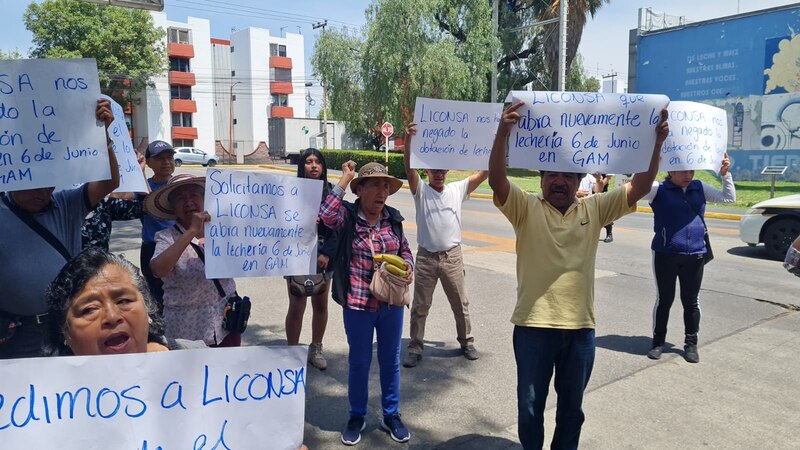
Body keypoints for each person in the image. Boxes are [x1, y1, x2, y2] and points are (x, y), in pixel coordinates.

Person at [489, 102, 669, 450]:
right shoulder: (525, 208)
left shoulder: (596, 207)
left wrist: (656, 144)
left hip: (580, 332)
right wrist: (502, 134)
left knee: (572, 412)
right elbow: (498, 181)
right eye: (552, 174)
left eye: (568, 175)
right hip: (532, 328)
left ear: (578, 181)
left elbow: (641, 186)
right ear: (541, 179)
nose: (559, 181)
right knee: (529, 410)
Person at [0, 99, 120, 359]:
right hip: (18, 333)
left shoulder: (65, 203)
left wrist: (103, 137)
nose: (43, 192)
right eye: (35, 184)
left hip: (70, 323)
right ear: (14, 176)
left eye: (49, 184)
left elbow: (110, 181)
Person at [319, 161, 414, 446]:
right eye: (374, 184)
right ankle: (356, 415)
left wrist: (408, 265)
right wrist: (346, 177)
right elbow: (324, 215)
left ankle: (391, 414)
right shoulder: (347, 217)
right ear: (360, 190)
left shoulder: (393, 219)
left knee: (390, 361)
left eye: (385, 186)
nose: (381, 191)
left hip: (391, 304)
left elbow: (405, 249)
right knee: (359, 363)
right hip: (358, 304)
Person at [401, 123, 486, 368]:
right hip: (427, 257)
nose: (438, 174)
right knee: (420, 306)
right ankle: (415, 346)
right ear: (427, 171)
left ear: (447, 170)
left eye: (442, 171)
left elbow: (484, 173)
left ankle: (466, 341)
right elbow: (408, 167)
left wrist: (491, 145)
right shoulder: (421, 191)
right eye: (434, 171)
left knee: (461, 303)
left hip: (452, 256)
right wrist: (408, 141)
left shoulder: (457, 189)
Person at [644, 154, 736, 363]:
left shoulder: (699, 187)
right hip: (665, 253)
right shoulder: (659, 189)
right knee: (664, 300)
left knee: (691, 301)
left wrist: (725, 175)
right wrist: (652, 166)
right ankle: (658, 342)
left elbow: (728, 198)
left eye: (691, 171)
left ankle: (691, 343)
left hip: (695, 254)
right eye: (684, 171)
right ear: (671, 171)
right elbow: (636, 190)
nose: (688, 175)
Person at [147, 174, 241, 347]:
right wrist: (191, 231)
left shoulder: (223, 231)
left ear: (205, 199)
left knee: (228, 371)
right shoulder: (166, 237)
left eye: (194, 195)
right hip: (187, 330)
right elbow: (158, 269)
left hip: (226, 324)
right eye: (180, 198)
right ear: (173, 208)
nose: (188, 201)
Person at [285, 148, 338, 370]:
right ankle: (292, 352)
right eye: (308, 162)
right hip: (296, 256)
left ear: (323, 167)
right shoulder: (290, 192)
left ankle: (316, 348)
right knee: (297, 305)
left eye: (318, 162)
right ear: (302, 166)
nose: (314, 166)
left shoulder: (333, 192)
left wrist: (328, 254)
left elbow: (339, 226)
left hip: (323, 258)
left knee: (320, 304)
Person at [138, 140, 177, 311]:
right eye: (160, 158)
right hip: (151, 249)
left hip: (178, 247)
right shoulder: (142, 185)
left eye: (170, 158)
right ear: (148, 162)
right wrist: (137, 173)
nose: (167, 162)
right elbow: (151, 205)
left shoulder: (181, 185)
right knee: (157, 299)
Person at [82, 151, 147, 251]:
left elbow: (145, 207)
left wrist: (138, 174)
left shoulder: (103, 204)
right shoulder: (56, 204)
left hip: (96, 265)